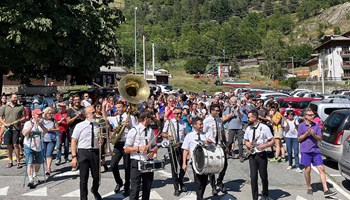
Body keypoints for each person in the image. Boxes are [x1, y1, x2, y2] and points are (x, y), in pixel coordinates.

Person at [297, 108, 337, 197]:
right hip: (306, 151)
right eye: (310, 115)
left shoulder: (316, 126)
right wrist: (307, 134)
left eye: (313, 115)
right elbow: (299, 139)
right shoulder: (301, 126)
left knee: (321, 169)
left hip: (315, 150)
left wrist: (313, 134)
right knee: (308, 170)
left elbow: (320, 138)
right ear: (306, 117)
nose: (312, 116)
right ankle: (309, 186)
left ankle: (326, 189)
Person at [103, 101, 135, 196]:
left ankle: (126, 186)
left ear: (124, 108)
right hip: (118, 144)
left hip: (127, 143)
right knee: (113, 165)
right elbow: (105, 118)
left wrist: (128, 126)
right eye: (116, 108)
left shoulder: (130, 117)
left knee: (126, 167)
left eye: (119, 107)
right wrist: (104, 107)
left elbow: (135, 129)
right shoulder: (116, 117)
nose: (118, 109)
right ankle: (119, 182)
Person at [124, 110, 158, 200]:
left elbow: (155, 145)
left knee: (147, 188)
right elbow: (126, 149)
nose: (152, 121)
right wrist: (139, 148)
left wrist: (153, 151)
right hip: (137, 161)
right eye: (151, 119)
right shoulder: (134, 130)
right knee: (135, 189)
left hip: (148, 162)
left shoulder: (150, 131)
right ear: (146, 119)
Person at [71, 106, 102, 200]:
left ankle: (95, 189)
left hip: (95, 152)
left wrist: (102, 141)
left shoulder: (98, 125)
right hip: (83, 152)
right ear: (86, 115)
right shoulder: (80, 126)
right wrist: (74, 156)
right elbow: (73, 141)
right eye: (92, 112)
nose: (94, 114)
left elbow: (101, 139)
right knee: (83, 179)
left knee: (97, 177)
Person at [244, 110, 275, 200]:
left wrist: (264, 145)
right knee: (253, 177)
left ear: (254, 117)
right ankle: (255, 197)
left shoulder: (264, 127)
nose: (248, 119)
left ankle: (265, 194)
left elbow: (272, 140)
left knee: (263, 176)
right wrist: (247, 144)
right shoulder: (248, 128)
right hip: (252, 155)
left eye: (249, 117)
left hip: (261, 154)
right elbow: (245, 140)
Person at [181, 117, 210, 200]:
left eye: (202, 124)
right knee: (198, 181)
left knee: (204, 181)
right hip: (195, 161)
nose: (202, 126)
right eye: (200, 124)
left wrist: (209, 143)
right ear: (194, 125)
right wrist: (184, 163)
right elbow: (185, 150)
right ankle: (199, 197)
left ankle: (200, 195)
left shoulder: (206, 134)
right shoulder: (189, 136)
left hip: (206, 161)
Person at [162, 107, 188, 196]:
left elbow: (186, 135)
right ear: (173, 113)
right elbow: (163, 133)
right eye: (177, 113)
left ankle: (180, 181)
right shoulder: (169, 122)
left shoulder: (183, 123)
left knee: (183, 166)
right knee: (174, 167)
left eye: (180, 113)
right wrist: (168, 136)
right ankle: (176, 187)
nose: (179, 115)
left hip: (181, 145)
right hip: (172, 146)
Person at [203, 104, 228, 195]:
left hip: (220, 144)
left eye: (219, 110)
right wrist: (206, 140)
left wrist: (226, 145)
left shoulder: (219, 120)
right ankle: (213, 186)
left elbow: (222, 132)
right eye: (216, 110)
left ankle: (220, 181)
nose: (218, 112)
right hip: (211, 145)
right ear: (211, 111)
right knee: (212, 166)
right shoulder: (206, 121)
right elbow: (203, 133)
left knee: (224, 164)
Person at [22, 109, 48, 188]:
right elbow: (24, 134)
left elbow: (46, 132)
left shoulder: (42, 122)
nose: (40, 116)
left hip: (39, 146)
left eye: (40, 114)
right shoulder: (27, 123)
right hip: (29, 145)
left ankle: (34, 175)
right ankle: (30, 180)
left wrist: (41, 125)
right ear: (33, 115)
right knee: (30, 163)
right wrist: (31, 126)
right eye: (38, 115)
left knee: (38, 162)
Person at [0, 93, 26, 169]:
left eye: (16, 98)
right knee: (9, 145)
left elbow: (24, 117)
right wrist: (5, 124)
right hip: (7, 129)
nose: (16, 99)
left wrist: (17, 121)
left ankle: (18, 161)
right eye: (14, 97)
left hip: (16, 129)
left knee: (16, 145)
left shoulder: (20, 107)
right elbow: (0, 117)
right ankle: (10, 161)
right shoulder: (5, 107)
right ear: (10, 98)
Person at [223, 97, 244, 162]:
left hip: (239, 127)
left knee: (240, 142)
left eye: (234, 101)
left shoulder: (239, 108)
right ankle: (227, 153)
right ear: (230, 102)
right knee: (230, 141)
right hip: (231, 127)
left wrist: (237, 111)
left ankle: (241, 156)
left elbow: (242, 116)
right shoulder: (228, 108)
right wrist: (231, 113)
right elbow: (225, 117)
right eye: (232, 101)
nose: (233, 103)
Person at [67, 94, 84, 168]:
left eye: (78, 99)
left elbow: (88, 118)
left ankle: (82, 162)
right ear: (73, 101)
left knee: (82, 147)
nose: (77, 101)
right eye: (75, 100)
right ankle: (75, 161)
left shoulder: (83, 108)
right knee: (74, 147)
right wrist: (76, 117)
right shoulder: (70, 110)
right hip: (73, 130)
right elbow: (68, 122)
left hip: (83, 130)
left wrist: (82, 117)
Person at [42, 107, 59, 175]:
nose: (51, 114)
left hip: (51, 139)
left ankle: (48, 168)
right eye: (49, 113)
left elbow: (58, 129)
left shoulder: (54, 120)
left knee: (49, 154)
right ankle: (47, 166)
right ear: (45, 114)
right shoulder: (42, 121)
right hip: (43, 139)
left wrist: (52, 130)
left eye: (52, 113)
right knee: (44, 155)